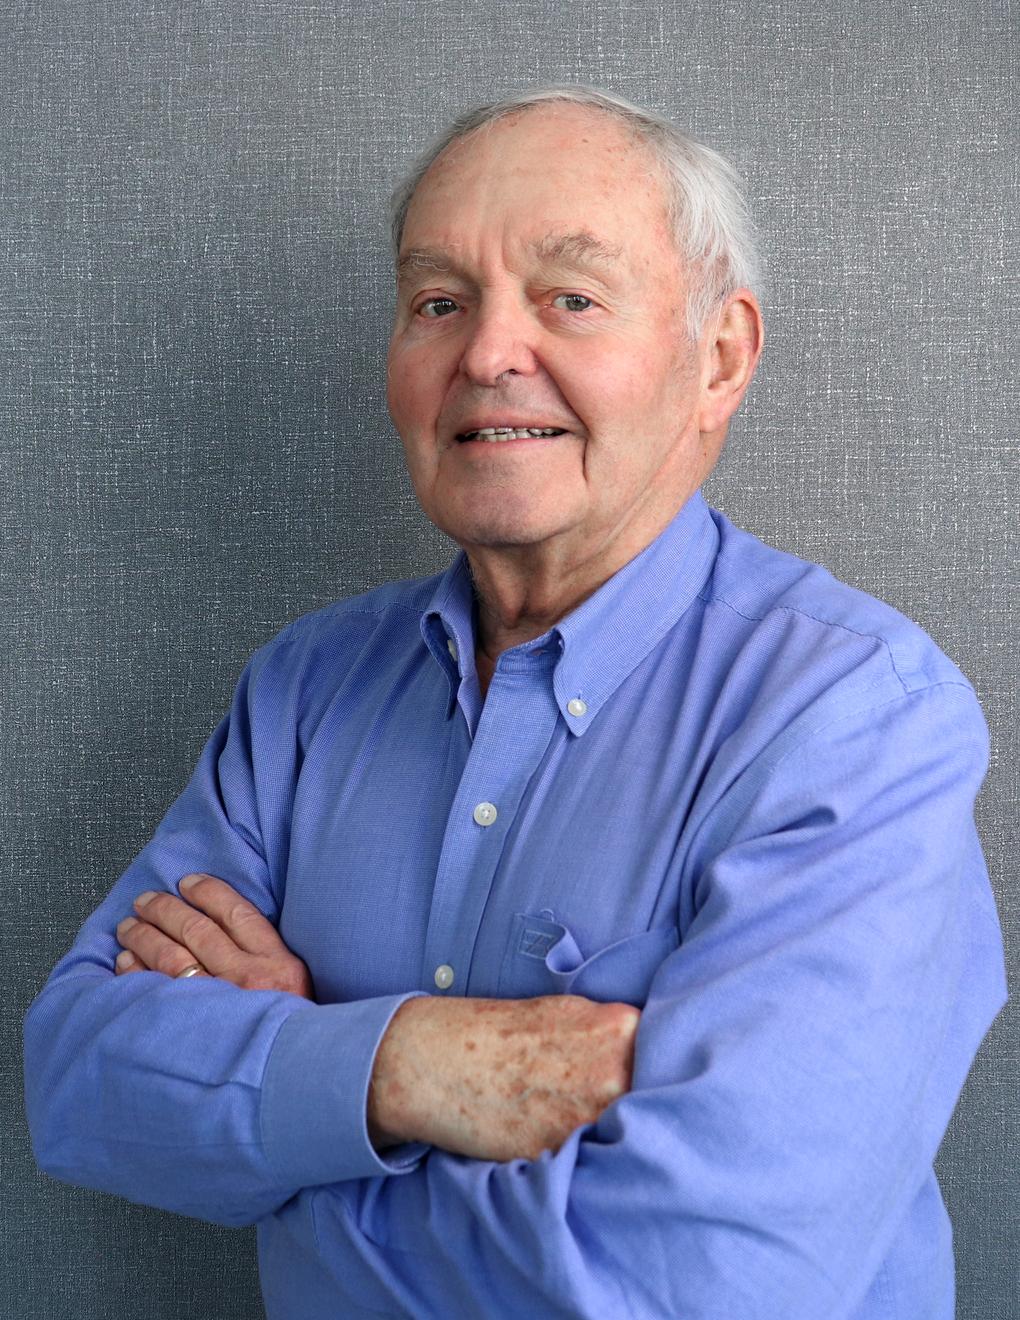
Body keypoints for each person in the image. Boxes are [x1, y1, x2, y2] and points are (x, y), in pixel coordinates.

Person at [24, 85, 1006, 1320]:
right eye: (439, 302)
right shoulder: (305, 689)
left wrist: (295, 1097)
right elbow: (78, 1088)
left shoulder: (854, 720)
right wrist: (407, 1065)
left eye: (570, 299)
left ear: (719, 358)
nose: (487, 355)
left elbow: (701, 1287)